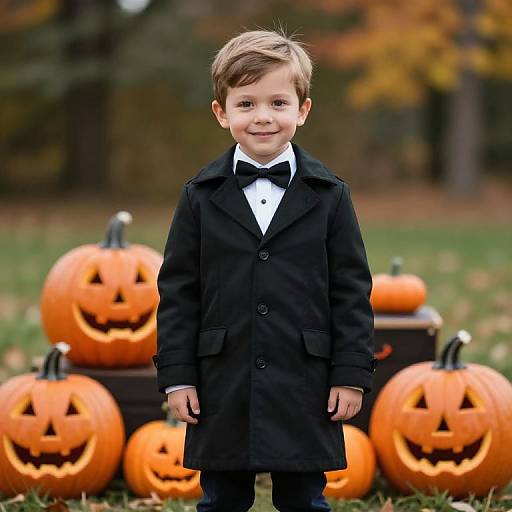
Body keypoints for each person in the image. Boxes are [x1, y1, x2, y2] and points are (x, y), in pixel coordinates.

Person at [152, 28, 377, 512]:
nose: (263, 117)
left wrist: (351, 374)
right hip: (222, 378)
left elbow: (352, 290)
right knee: (221, 499)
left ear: (303, 110)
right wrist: (178, 377)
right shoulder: (199, 196)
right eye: (247, 104)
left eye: (278, 103)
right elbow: (178, 292)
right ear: (222, 113)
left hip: (305, 377)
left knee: (304, 499)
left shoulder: (330, 195)